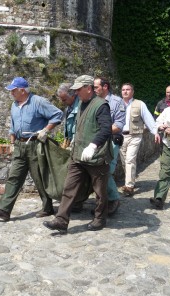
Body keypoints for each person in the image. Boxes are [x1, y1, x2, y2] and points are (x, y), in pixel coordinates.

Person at [0, 77, 63, 221]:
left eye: (13, 90)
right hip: (19, 146)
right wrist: (11, 142)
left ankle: (47, 207)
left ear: (22, 90)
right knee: (14, 177)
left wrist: (46, 130)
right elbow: (13, 126)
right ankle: (3, 210)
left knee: (39, 177)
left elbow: (57, 114)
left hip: (35, 144)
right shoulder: (14, 105)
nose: (11, 93)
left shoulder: (38, 101)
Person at [43, 75, 112, 232]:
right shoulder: (81, 103)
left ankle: (100, 219)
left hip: (96, 157)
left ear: (89, 88)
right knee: (69, 187)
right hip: (78, 155)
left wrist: (93, 145)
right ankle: (61, 220)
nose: (76, 93)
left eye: (78, 89)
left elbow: (106, 128)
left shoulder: (101, 105)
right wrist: (75, 140)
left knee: (100, 191)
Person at [119, 83, 160, 196]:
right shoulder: (117, 104)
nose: (125, 92)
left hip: (135, 136)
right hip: (120, 137)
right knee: (124, 161)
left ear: (132, 92)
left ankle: (129, 186)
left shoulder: (139, 104)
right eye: (123, 90)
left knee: (130, 159)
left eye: (128, 89)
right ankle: (131, 179)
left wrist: (155, 132)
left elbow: (148, 119)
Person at [93, 77, 126, 215]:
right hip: (96, 141)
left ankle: (113, 199)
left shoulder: (117, 102)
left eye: (96, 87)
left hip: (111, 140)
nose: (94, 89)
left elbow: (119, 124)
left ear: (105, 86)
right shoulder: (93, 101)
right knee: (96, 170)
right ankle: (102, 201)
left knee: (106, 170)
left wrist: (102, 132)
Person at [57, 82, 79, 148]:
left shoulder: (81, 108)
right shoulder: (68, 108)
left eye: (64, 100)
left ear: (72, 96)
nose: (62, 102)